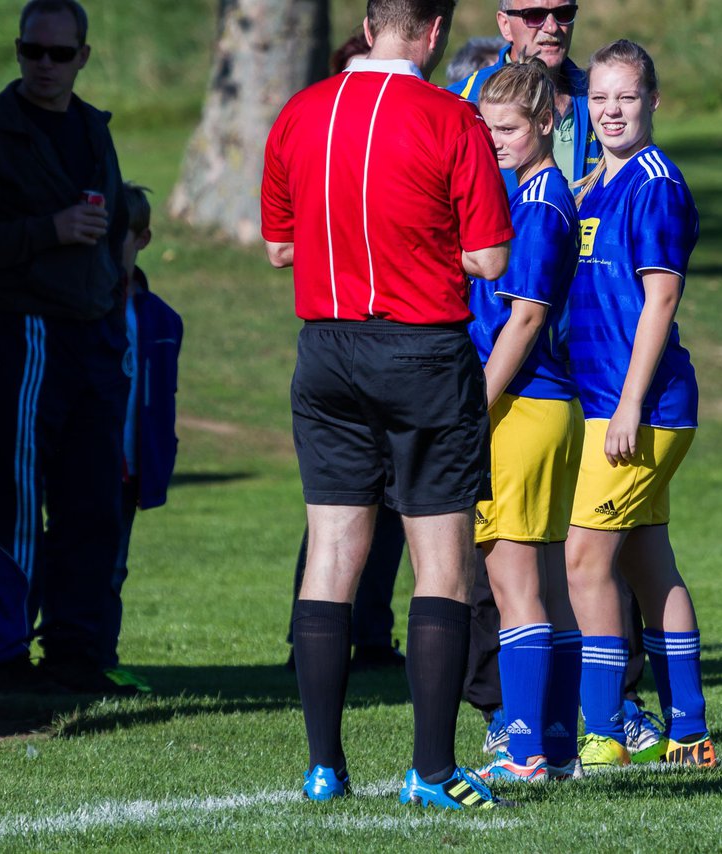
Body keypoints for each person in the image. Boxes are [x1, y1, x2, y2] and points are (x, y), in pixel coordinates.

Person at [260, 0, 514, 808]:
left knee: (333, 553)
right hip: (422, 350)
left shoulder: (299, 112)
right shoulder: (453, 117)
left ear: (369, 28)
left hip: (327, 350)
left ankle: (324, 768)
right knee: (442, 561)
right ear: (435, 31)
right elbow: (488, 253)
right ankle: (432, 770)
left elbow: (278, 247)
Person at [0, 0, 136, 697]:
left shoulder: (91, 129)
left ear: (83, 56)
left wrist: (120, 259)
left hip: (92, 334)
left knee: (92, 501)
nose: (43, 65)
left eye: (58, 53)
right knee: (10, 498)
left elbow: (108, 218)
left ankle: (76, 652)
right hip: (16, 335)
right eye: (31, 51)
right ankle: (7, 656)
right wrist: (46, 230)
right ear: (19, 52)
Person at [565, 39, 715, 770]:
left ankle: (602, 731)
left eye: (626, 96)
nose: (612, 110)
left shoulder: (654, 182)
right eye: (599, 98)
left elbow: (660, 302)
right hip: (606, 403)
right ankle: (688, 729)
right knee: (648, 565)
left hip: (641, 409)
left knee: (584, 560)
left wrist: (628, 407)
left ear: (654, 101)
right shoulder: (595, 182)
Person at [465, 61, 584, 784]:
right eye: (487, 128)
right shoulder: (525, 192)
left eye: (507, 127)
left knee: (514, 586)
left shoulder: (541, 201)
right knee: (540, 581)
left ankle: (524, 749)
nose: (497, 140)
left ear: (545, 123)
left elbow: (529, 315)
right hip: (543, 406)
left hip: (525, 404)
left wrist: (475, 403)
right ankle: (559, 744)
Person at [280, 28, 409, 676]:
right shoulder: (312, 133)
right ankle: (311, 644)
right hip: (356, 339)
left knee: (388, 506)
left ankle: (373, 630)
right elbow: (281, 245)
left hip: (376, 340)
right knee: (336, 517)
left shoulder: (400, 137)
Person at [103, 182, 183, 694]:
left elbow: (161, 399)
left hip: (132, 467)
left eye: (123, 237)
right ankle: (67, 652)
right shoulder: (89, 307)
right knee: (73, 556)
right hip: (90, 462)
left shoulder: (160, 319)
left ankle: (101, 655)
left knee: (114, 564)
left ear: (144, 238)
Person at [448, 1, 600, 191]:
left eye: (564, 13)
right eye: (534, 15)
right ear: (505, 25)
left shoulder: (603, 96)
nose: (552, 27)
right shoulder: (457, 103)